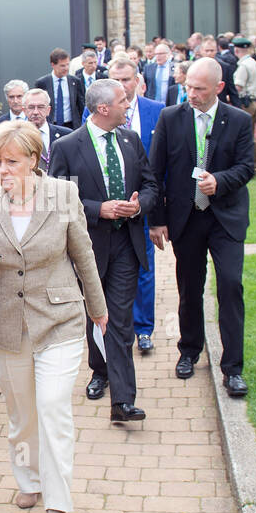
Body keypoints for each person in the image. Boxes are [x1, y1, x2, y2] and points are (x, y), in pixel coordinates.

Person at [0, 122, 108, 513]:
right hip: (6, 323)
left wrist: (98, 310)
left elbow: (82, 254)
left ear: (34, 159)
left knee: (52, 408)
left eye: (12, 161)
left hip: (59, 319)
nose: (3, 169)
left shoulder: (64, 195)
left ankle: (58, 505)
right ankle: (28, 479)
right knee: (23, 414)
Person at [50, 79, 157, 422]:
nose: (130, 104)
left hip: (126, 243)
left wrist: (140, 206)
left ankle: (122, 402)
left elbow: (152, 185)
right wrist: (99, 209)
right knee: (94, 314)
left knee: (119, 320)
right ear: (103, 109)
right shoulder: (67, 146)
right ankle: (100, 370)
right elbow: (57, 198)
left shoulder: (131, 140)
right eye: (124, 100)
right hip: (88, 247)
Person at [148, 57, 255, 399]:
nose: (190, 93)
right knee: (189, 287)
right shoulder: (171, 117)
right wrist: (156, 220)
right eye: (188, 86)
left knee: (230, 285)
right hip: (186, 217)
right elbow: (155, 170)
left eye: (199, 89)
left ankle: (233, 367)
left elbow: (247, 167)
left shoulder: (237, 120)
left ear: (219, 88)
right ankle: (189, 350)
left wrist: (219, 181)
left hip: (225, 218)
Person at [110, 56, 164, 354]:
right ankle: (118, 327)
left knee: (145, 267)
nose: (122, 86)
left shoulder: (157, 112)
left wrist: (157, 217)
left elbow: (161, 170)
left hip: (144, 205)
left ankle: (143, 329)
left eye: (126, 80)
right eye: (115, 80)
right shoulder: (94, 114)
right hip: (110, 209)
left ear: (138, 81)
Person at [22, 88, 70, 173]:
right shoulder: (17, 137)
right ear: (24, 111)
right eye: (31, 107)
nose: (36, 112)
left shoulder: (67, 135)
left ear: (48, 110)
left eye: (40, 107)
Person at [36, 48, 82, 128]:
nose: (66, 68)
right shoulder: (42, 83)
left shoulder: (75, 82)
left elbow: (81, 104)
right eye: (62, 66)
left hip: (71, 126)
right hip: (51, 125)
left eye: (68, 64)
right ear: (53, 65)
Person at [232, 38, 256, 122]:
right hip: (252, 102)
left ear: (236, 50)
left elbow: (238, 87)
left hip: (245, 103)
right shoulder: (253, 62)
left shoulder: (244, 65)